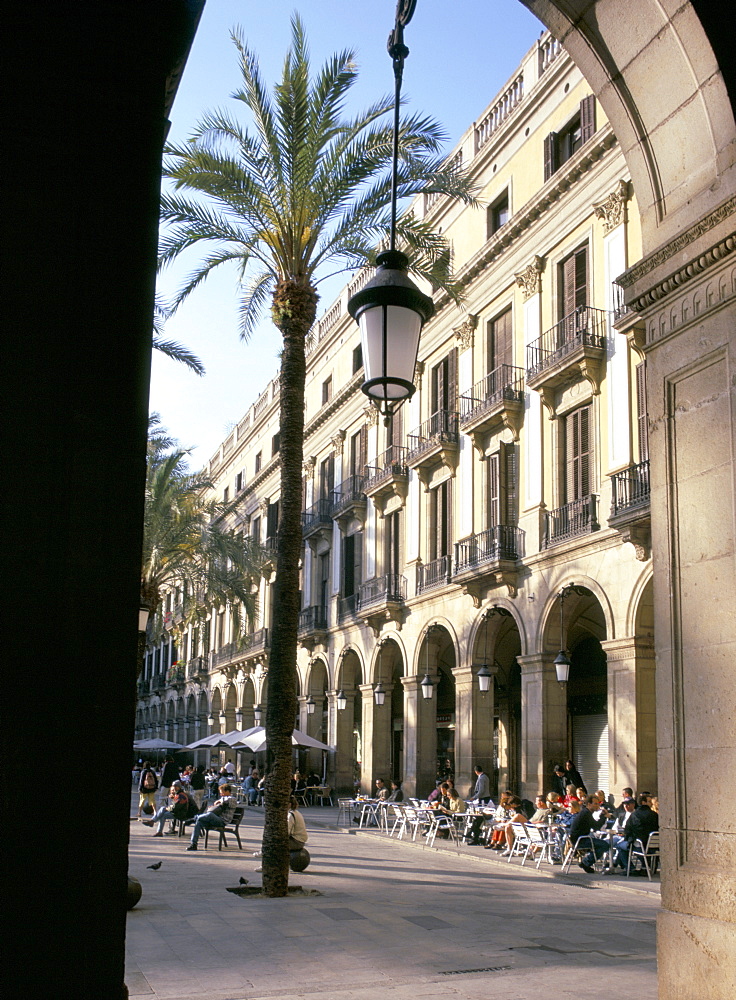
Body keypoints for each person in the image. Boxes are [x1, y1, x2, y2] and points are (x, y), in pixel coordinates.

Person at [186, 783, 237, 851]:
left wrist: (218, 801)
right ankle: (193, 844)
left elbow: (226, 801)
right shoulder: (223, 798)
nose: (221, 794)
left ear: (227, 791)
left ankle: (194, 818)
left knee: (210, 814)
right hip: (215, 819)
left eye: (222, 793)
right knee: (199, 822)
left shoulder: (232, 799)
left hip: (222, 821)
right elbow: (220, 804)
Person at [572, 794, 611, 872]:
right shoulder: (586, 813)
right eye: (595, 804)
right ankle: (586, 862)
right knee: (605, 845)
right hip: (580, 840)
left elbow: (594, 825)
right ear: (589, 804)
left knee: (600, 844)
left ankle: (586, 862)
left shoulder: (585, 812)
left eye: (598, 803)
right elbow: (596, 826)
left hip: (579, 838)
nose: (598, 806)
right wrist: (604, 816)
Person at [624, 792, 659, 875]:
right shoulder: (654, 815)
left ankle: (630, 869)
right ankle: (645, 867)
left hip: (640, 846)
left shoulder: (634, 815)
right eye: (649, 801)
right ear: (644, 802)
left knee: (621, 846)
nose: (651, 803)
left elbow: (627, 830)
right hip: (654, 846)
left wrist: (628, 838)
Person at [610, 797, 637, 870]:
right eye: (624, 804)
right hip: (618, 835)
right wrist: (617, 832)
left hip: (628, 837)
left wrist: (625, 833)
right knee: (607, 842)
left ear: (633, 804)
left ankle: (614, 862)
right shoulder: (621, 815)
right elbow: (615, 827)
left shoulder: (636, 815)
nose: (626, 806)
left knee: (619, 845)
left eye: (628, 804)